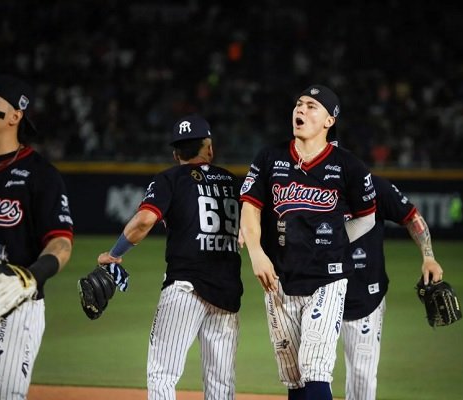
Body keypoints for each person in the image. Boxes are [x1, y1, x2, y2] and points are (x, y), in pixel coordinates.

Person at [239, 84, 377, 400]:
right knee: (294, 378)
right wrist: (256, 252)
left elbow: (367, 217)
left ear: (329, 121)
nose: (301, 109)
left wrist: (334, 243)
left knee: (315, 369)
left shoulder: (349, 166)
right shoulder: (270, 157)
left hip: (327, 279)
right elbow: (250, 207)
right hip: (278, 280)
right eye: (299, 104)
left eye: (312, 106)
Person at [96, 114, 243, 399]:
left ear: (176, 154)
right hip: (227, 291)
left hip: (185, 287)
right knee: (221, 383)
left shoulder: (170, 178)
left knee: (162, 373)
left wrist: (114, 254)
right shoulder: (231, 181)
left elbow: (143, 221)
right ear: (209, 148)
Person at [0, 74, 74, 399]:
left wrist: (30, 276)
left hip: (10, 307)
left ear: (15, 115)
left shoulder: (41, 175)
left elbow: (61, 243)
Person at [341, 175, 444, 400]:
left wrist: (428, 256)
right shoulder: (309, 184)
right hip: (316, 289)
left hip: (365, 293)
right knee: (310, 371)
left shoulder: (372, 185)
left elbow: (411, 216)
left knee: (362, 378)